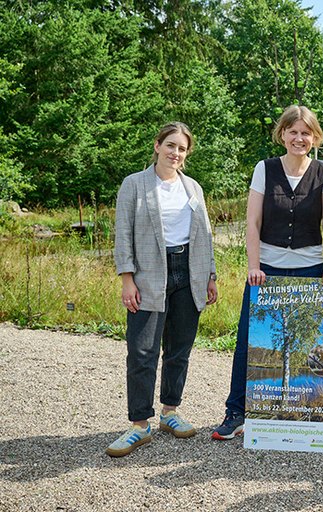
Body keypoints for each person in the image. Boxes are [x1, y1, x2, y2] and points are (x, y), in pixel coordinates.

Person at [212, 105, 323, 440]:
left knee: (308, 342)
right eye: (293, 131)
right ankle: (236, 412)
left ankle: (304, 412)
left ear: (314, 137)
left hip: (310, 266)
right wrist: (253, 266)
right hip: (267, 269)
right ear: (282, 134)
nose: (299, 138)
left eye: (306, 133)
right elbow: (252, 222)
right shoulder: (264, 169)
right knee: (250, 340)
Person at [109, 122, 218, 457]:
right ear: (157, 145)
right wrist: (127, 278)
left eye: (182, 149)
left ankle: (170, 412)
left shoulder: (193, 188)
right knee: (142, 351)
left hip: (189, 273)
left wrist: (210, 276)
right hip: (149, 275)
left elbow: (206, 234)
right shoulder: (134, 185)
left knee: (179, 349)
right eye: (170, 145)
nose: (176, 153)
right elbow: (123, 234)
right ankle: (139, 425)